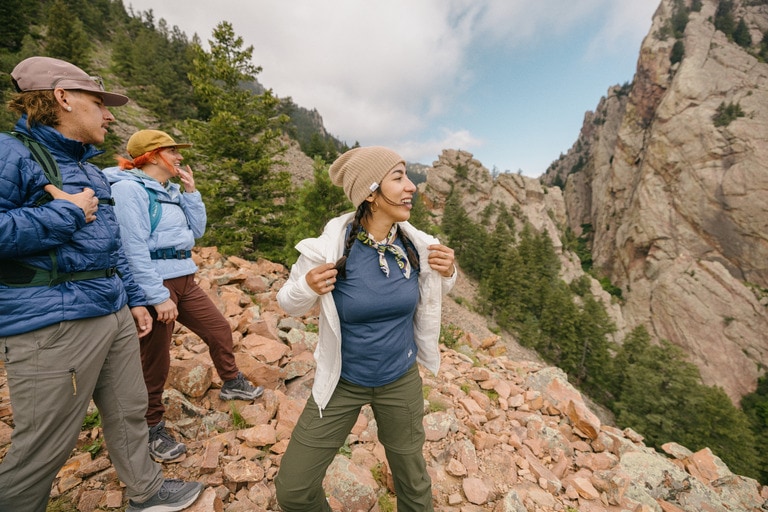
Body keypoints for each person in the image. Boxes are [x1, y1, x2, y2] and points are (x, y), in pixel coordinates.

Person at [0, 57, 203, 512]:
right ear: (62, 97)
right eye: (98, 102)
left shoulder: (91, 170)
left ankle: (146, 491)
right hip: (52, 320)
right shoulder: (9, 153)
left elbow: (114, 245)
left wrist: (132, 299)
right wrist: (65, 213)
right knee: (44, 443)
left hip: (109, 309)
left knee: (130, 410)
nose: (109, 115)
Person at [274, 146, 457, 511]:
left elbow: (434, 291)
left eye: (408, 176)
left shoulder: (415, 243)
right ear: (371, 193)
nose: (412, 187)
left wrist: (449, 271)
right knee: (293, 489)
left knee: (413, 482)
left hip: (400, 380)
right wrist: (307, 286)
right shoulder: (330, 249)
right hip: (343, 382)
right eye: (399, 177)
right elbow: (288, 302)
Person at [103, 129, 264, 462]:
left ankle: (232, 381)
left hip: (184, 279)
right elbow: (133, 250)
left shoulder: (169, 190)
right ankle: (150, 429)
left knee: (218, 328)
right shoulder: (129, 191)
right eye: (172, 152)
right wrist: (156, 295)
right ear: (153, 156)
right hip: (157, 285)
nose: (179, 157)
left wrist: (191, 193)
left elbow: (197, 232)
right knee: (156, 360)